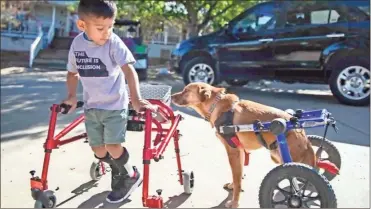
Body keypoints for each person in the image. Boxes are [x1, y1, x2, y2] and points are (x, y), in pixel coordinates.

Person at [61, 0, 156, 204]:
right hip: (92, 106)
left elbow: (129, 71)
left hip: (114, 105)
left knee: (113, 146)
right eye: (100, 28)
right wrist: (71, 96)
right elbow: (72, 73)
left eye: (110, 27)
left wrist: (136, 100)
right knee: (99, 150)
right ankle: (118, 169)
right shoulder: (77, 44)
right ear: (82, 25)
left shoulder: (113, 42)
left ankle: (130, 175)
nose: (107, 32)